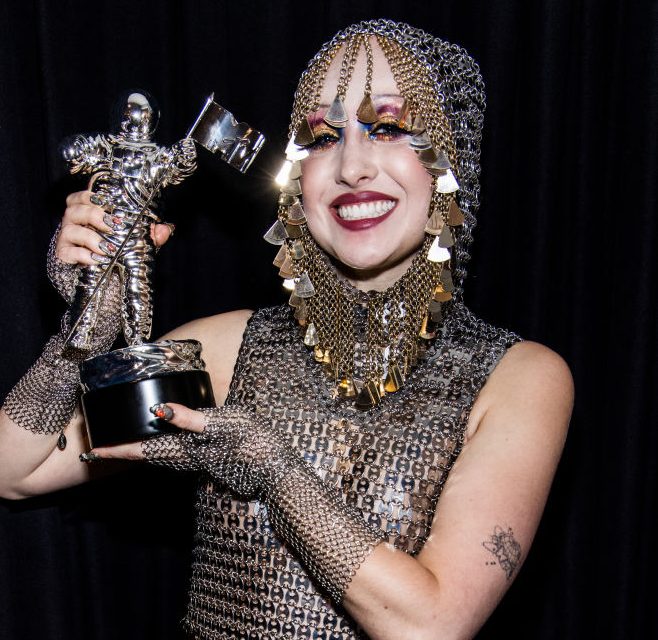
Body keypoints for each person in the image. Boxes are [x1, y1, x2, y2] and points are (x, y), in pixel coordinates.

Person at [0, 19, 573, 640]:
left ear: (452, 157)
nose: (352, 165)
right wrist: (84, 331)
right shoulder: (228, 349)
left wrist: (272, 469)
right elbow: (14, 469)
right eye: (322, 138)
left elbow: (430, 627)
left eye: (388, 127)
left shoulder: (518, 377)